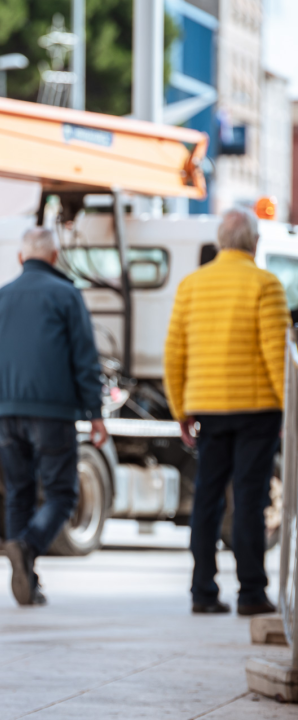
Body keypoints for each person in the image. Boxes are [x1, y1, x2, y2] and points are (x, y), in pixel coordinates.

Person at [0, 226, 107, 607]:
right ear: (55, 257)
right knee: (62, 493)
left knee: (19, 493)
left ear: (20, 258)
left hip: (3, 412)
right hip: (51, 411)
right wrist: (95, 413)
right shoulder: (67, 295)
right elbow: (84, 359)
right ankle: (27, 547)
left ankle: (26, 580)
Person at [163, 207, 289, 616]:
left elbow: (174, 353)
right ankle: (251, 593)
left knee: (207, 497)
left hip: (207, 409)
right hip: (256, 410)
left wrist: (180, 409)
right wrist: (292, 410)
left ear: (220, 242)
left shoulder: (191, 285)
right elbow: (277, 355)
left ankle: (202, 591)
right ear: (255, 242)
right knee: (249, 499)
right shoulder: (265, 284)